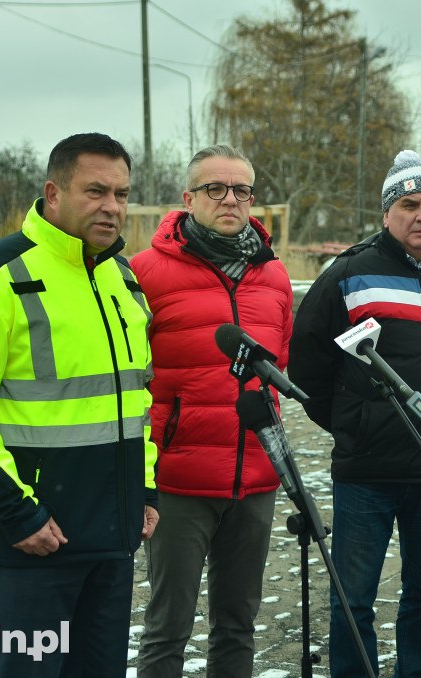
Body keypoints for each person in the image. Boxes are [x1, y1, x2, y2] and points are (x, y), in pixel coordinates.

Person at [0, 132, 159, 677]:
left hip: (112, 539)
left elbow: (135, 400)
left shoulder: (121, 280)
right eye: (95, 191)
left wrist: (144, 489)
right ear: (53, 193)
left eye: (122, 194)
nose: (112, 207)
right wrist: (17, 514)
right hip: (33, 542)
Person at [288, 150, 421, 677]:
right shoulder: (350, 274)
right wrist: (355, 422)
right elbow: (307, 364)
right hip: (368, 473)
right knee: (353, 598)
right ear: (387, 213)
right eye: (409, 204)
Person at [131, 144, 292, 678]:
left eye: (241, 190)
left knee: (238, 625)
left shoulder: (274, 276)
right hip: (179, 481)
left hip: (256, 479)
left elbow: (279, 364)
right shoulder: (144, 273)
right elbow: (133, 380)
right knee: (167, 628)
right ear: (188, 198)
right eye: (215, 189)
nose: (230, 200)